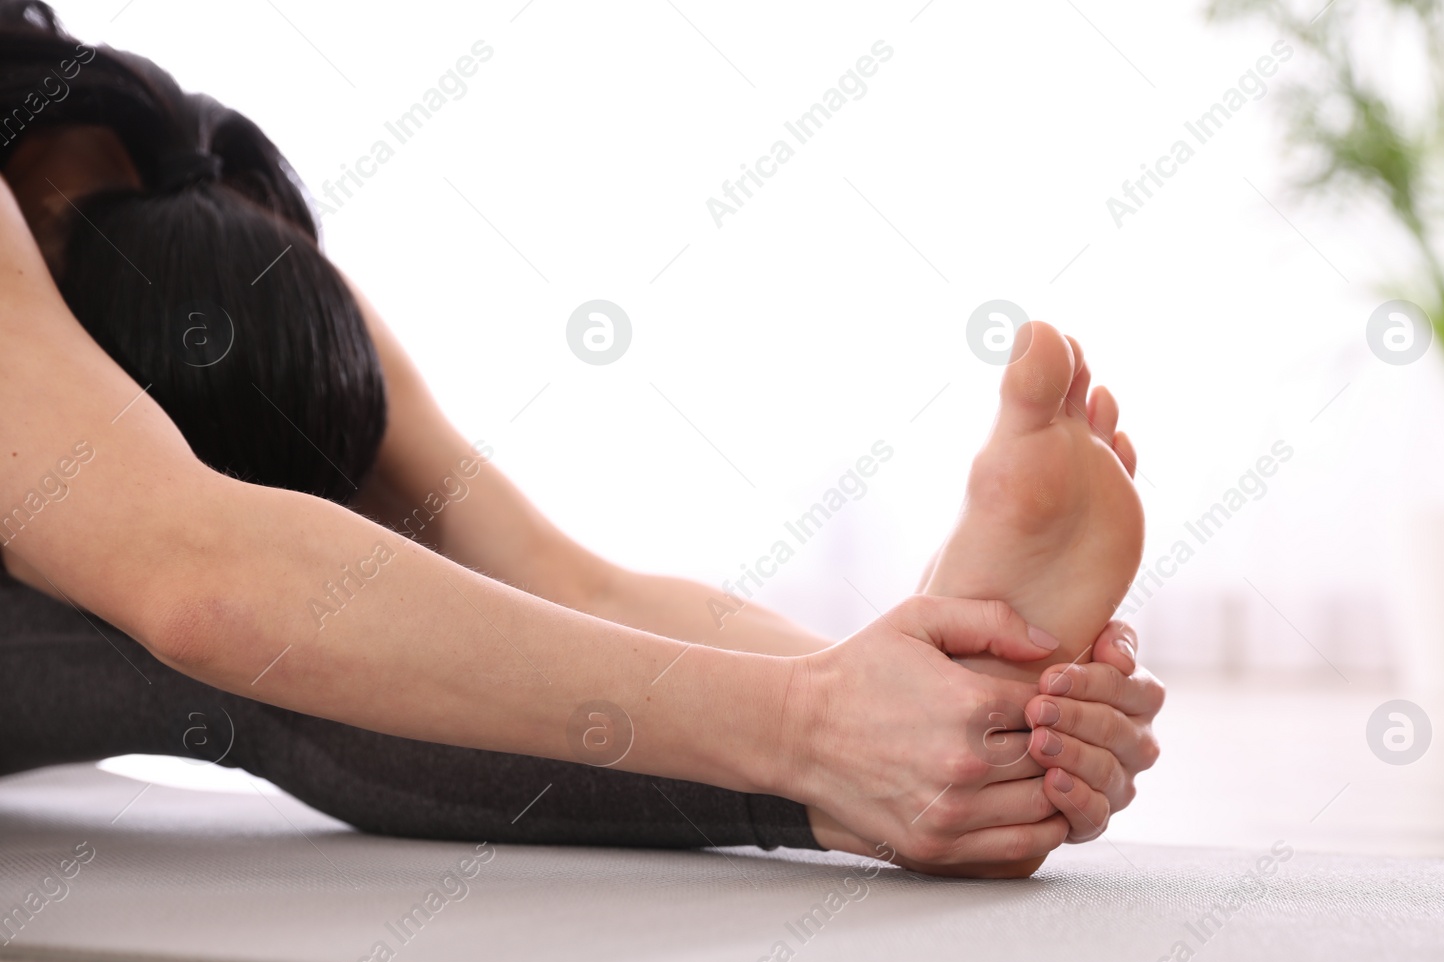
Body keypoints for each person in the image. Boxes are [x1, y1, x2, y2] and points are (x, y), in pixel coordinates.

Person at [0, 1, 1162, 878]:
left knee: (357, 614)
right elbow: (204, 585)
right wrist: (823, 742)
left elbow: (560, 581)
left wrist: (919, 697)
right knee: (264, 640)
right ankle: (841, 788)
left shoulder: (215, 190)